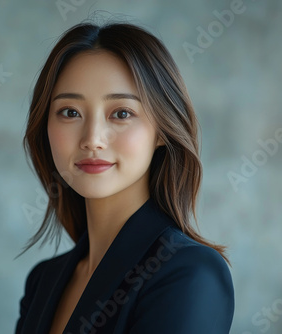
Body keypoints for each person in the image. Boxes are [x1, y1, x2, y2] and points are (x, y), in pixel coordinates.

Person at [15, 21, 234, 334]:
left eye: (121, 113)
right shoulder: (42, 281)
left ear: (162, 130)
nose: (92, 139)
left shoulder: (189, 273)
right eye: (70, 112)